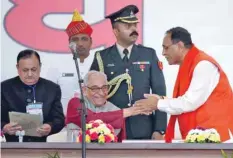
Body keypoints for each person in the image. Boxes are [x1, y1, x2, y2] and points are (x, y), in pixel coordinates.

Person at [135, 27, 233, 142]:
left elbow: (190, 102)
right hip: (202, 140)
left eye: (166, 48)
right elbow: (187, 100)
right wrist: (162, 99)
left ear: (180, 46)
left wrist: (158, 104)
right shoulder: (188, 64)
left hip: (217, 140)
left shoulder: (203, 64)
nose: (163, 53)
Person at [90, 5, 167, 139]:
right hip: (110, 130)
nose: (134, 29)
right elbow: (93, 93)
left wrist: (159, 129)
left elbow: (160, 93)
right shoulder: (101, 57)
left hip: (143, 128)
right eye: (127, 26)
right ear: (116, 31)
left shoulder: (148, 55)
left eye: (135, 25)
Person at [1, 49, 65, 142]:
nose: (30, 74)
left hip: (42, 146)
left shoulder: (52, 89)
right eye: (25, 70)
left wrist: (50, 127)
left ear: (40, 67)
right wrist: (4, 127)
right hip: (12, 145)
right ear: (17, 68)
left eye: (34, 69)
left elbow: (59, 120)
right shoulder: (4, 88)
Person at [66, 70, 145, 141]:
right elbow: (89, 119)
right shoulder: (75, 103)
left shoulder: (115, 110)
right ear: (84, 90)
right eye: (95, 88)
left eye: (104, 88)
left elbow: (120, 144)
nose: (101, 93)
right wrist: (126, 112)